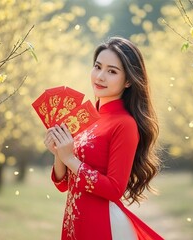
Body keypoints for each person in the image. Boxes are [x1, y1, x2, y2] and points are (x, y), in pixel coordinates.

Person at [43, 37, 163, 240]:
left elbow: (114, 189)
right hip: (75, 223)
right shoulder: (86, 117)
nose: (100, 76)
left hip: (103, 225)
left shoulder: (124, 124)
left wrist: (70, 159)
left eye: (112, 71)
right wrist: (59, 153)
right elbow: (64, 185)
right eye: (97, 67)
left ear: (128, 81)